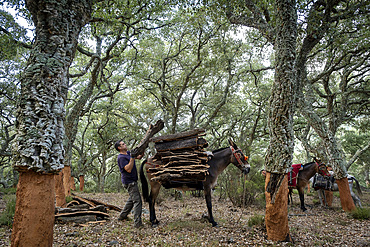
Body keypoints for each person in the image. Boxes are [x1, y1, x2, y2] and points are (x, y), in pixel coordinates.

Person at [114, 140, 143, 228]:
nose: (125, 144)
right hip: (129, 182)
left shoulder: (129, 153)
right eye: (123, 144)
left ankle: (122, 216)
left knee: (131, 199)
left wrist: (143, 149)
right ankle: (137, 223)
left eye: (124, 143)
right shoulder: (121, 157)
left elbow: (140, 157)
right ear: (119, 148)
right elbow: (128, 169)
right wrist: (132, 157)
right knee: (137, 201)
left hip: (133, 180)